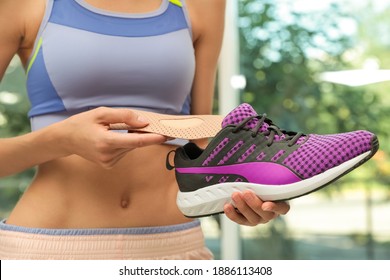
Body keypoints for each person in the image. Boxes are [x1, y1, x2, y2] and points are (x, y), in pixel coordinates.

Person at [0, 0, 290, 260]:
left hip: (175, 247)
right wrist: (61, 140)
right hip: (50, 249)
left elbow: (201, 143)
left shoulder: (203, 4)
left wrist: (247, 197)